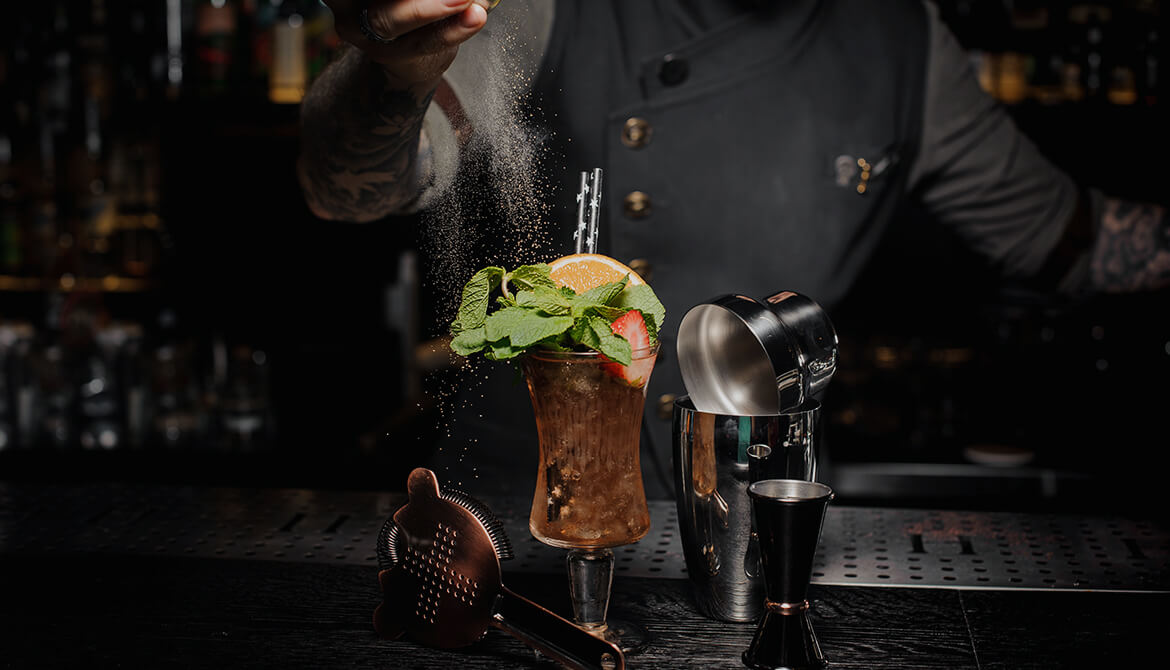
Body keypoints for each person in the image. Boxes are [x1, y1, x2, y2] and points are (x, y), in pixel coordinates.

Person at [297, 0, 1169, 499]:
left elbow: (1076, 239)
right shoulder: (536, 7)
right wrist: (397, 70)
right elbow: (347, 187)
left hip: (758, 522)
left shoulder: (900, 39)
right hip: (525, 520)